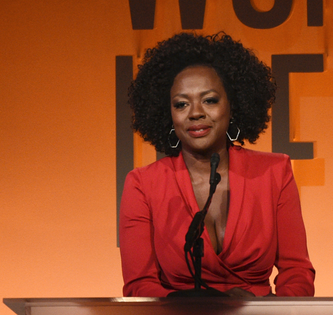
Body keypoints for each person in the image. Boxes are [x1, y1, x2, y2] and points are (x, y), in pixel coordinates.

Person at [119, 32, 315, 297]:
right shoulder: (143, 184)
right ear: (168, 114)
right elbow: (140, 285)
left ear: (232, 105)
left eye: (210, 100)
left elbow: (296, 272)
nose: (196, 112)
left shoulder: (274, 172)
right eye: (181, 104)